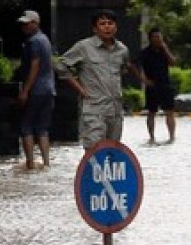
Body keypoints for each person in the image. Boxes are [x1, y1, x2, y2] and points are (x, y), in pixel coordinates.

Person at [56, 9, 145, 149]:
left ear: (116, 27)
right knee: (94, 150)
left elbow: (123, 69)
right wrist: (80, 89)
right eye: (102, 23)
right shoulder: (83, 47)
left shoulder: (122, 50)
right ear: (95, 29)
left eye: (110, 23)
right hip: (94, 108)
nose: (107, 27)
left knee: (113, 151)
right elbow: (61, 66)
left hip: (115, 110)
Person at [15, 10, 54, 169]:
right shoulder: (45, 39)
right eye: (23, 23)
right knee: (43, 128)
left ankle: (30, 163)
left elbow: (35, 65)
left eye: (27, 23)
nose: (24, 26)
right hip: (49, 89)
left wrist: (25, 91)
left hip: (36, 90)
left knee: (26, 125)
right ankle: (46, 163)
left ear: (35, 23)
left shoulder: (33, 42)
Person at [136, 27, 178, 143]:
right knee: (151, 112)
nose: (157, 39)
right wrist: (143, 79)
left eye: (159, 37)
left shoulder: (164, 51)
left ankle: (172, 136)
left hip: (165, 84)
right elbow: (132, 66)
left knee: (169, 111)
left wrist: (165, 48)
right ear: (150, 39)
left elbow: (173, 63)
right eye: (155, 37)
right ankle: (152, 137)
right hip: (152, 86)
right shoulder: (145, 52)